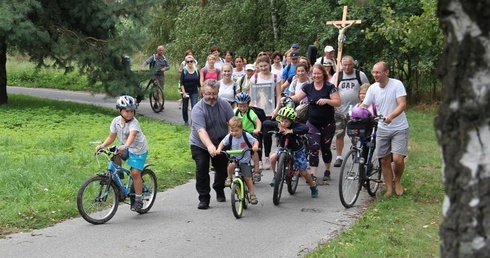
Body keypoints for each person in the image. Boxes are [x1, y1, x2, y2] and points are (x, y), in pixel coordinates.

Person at [361, 61, 409, 196]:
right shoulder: (372, 88)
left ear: (386, 72)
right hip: (382, 128)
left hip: (399, 127)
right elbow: (365, 105)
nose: (375, 75)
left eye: (378, 72)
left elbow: (402, 104)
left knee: (398, 159)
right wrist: (356, 113)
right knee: (384, 160)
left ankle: (397, 180)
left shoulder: (397, 84)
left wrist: (391, 116)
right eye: (373, 72)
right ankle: (388, 189)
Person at [288, 64, 341, 183]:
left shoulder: (330, 87)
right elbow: (297, 97)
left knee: (325, 148)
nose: (316, 76)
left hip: (327, 123)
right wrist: (288, 99)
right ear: (311, 75)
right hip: (312, 122)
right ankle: (313, 174)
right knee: (314, 147)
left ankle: (327, 170)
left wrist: (327, 101)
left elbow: (338, 102)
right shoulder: (308, 87)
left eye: (319, 73)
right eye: (314, 74)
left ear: (323, 74)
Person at [95, 95, 149, 211]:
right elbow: (112, 136)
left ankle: (138, 199)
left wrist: (125, 146)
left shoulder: (134, 123)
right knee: (114, 154)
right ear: (120, 110)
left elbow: (132, 135)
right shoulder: (116, 121)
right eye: (126, 111)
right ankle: (119, 178)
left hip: (138, 149)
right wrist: (102, 146)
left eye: (132, 111)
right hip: (126, 146)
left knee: (135, 173)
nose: (130, 114)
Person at [190, 79, 234, 209]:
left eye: (214, 94)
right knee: (202, 167)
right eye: (208, 94)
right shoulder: (197, 109)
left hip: (221, 141)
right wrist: (210, 146)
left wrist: (235, 137)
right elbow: (201, 131)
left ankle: (218, 188)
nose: (211, 97)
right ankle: (204, 198)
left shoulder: (225, 105)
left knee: (222, 168)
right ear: (202, 92)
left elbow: (233, 123)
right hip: (200, 144)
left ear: (218, 92)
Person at [263, 106, 318, 197]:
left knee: (303, 172)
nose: (283, 123)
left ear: (291, 121)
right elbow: (265, 123)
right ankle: (275, 175)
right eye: (282, 120)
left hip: (297, 150)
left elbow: (305, 128)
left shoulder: (295, 125)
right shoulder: (280, 124)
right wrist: (277, 125)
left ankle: (313, 186)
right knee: (272, 158)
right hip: (283, 148)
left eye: (286, 121)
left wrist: (291, 131)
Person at [330, 56, 370, 169]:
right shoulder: (338, 75)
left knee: (355, 133)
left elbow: (367, 89)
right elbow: (331, 90)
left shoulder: (360, 75)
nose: (347, 67)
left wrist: (365, 105)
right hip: (340, 110)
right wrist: (332, 104)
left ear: (353, 64)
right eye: (344, 65)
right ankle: (339, 157)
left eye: (349, 65)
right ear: (341, 65)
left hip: (356, 111)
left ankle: (355, 149)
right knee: (339, 134)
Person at [216, 117, 259, 204]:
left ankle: (252, 195)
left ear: (241, 129)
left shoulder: (246, 135)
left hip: (244, 160)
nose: (234, 133)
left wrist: (255, 146)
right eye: (232, 130)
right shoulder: (230, 137)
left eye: (236, 131)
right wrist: (219, 149)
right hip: (234, 159)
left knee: (248, 178)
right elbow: (222, 143)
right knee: (231, 165)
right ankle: (229, 178)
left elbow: (255, 141)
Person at [250, 55, 281, 170]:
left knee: (267, 134)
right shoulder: (255, 78)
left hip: (270, 110)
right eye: (261, 66)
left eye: (265, 66)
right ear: (258, 66)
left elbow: (278, 95)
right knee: (258, 134)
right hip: (258, 110)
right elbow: (252, 95)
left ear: (269, 64)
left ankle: (267, 156)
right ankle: (259, 158)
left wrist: (276, 109)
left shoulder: (275, 77)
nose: (263, 68)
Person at [234, 92, 262, 177]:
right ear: (237, 105)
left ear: (248, 105)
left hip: (251, 133)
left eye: (244, 106)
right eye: (240, 106)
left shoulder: (250, 112)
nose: (242, 108)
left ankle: (257, 170)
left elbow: (258, 121)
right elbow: (231, 122)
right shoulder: (235, 112)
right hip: (240, 133)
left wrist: (257, 129)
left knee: (253, 150)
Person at [180, 55, 201, 126]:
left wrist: (200, 90)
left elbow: (198, 82)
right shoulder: (184, 70)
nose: (189, 63)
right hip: (186, 91)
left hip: (194, 91)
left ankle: (193, 122)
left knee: (194, 107)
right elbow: (182, 83)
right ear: (186, 62)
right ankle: (186, 121)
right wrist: (184, 92)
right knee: (185, 107)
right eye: (188, 61)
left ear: (193, 62)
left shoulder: (197, 70)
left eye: (191, 61)